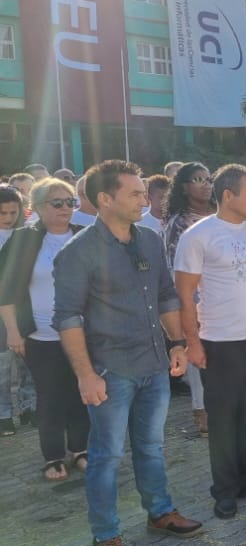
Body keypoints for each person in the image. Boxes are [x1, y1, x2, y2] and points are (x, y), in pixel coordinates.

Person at [53, 160, 203, 545]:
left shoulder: (150, 239)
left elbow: (166, 295)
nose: (145, 200)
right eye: (135, 193)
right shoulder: (77, 252)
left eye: (144, 192)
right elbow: (67, 318)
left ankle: (160, 512)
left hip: (154, 364)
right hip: (110, 371)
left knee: (152, 446)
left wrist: (178, 344)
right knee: (106, 456)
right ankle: (106, 534)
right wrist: (86, 376)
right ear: (105, 199)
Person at [173, 164, 246, 520]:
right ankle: (224, 489)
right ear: (228, 195)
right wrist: (193, 343)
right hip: (219, 341)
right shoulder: (198, 236)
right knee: (223, 418)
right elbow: (184, 295)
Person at [0, 178, 89, 479]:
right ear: (38, 207)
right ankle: (53, 456)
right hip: (41, 334)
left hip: (83, 333)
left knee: (81, 391)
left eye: (70, 202)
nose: (66, 208)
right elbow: (6, 289)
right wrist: (13, 331)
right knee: (50, 395)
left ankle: (80, 448)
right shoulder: (23, 239)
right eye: (57, 203)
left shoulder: (84, 235)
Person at [164, 162, 216, 438]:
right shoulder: (179, 223)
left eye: (209, 179)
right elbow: (175, 269)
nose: (206, 184)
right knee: (199, 357)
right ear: (183, 187)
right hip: (194, 298)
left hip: (224, 299)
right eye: (198, 179)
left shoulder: (222, 213)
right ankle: (201, 411)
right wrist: (187, 306)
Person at [0, 186, 34, 436]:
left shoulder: (27, 234)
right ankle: (3, 414)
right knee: (2, 365)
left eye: (13, 212)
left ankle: (29, 407)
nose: (8, 218)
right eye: (3, 213)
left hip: (24, 307)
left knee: (27, 361)